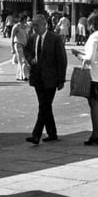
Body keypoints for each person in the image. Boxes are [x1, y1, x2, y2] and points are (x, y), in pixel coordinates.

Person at [24, 14, 67, 145]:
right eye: (33, 25)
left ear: (44, 25)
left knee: (44, 106)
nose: (34, 28)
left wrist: (61, 80)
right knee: (45, 106)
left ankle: (36, 135)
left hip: (51, 79)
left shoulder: (55, 38)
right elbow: (27, 51)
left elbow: (62, 60)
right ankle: (52, 133)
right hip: (37, 77)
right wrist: (30, 59)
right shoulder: (33, 38)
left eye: (37, 25)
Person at [71, 11, 98, 145]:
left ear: (93, 23)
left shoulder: (94, 37)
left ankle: (95, 134)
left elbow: (89, 59)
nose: (88, 26)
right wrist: (82, 53)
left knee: (94, 105)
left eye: (89, 23)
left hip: (92, 75)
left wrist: (77, 55)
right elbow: (95, 55)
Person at [11, 14, 31, 81]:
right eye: (25, 19)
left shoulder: (26, 26)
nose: (26, 20)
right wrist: (12, 48)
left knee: (22, 61)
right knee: (22, 61)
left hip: (25, 45)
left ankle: (19, 76)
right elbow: (12, 38)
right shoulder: (16, 27)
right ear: (22, 19)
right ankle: (25, 76)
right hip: (18, 44)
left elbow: (27, 36)